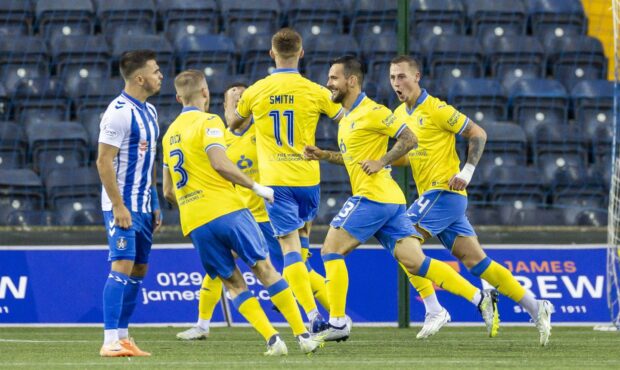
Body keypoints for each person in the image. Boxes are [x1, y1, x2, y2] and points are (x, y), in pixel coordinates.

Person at [304, 56, 499, 342]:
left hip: (374, 196)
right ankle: (477, 297)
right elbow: (352, 159)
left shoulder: (373, 111)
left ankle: (337, 322)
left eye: (333, 78)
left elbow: (409, 139)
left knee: (330, 249)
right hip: (390, 202)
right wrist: (324, 155)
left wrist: (382, 160)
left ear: (352, 80)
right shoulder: (347, 119)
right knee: (415, 261)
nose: (328, 83)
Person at [388, 55, 553, 346]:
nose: (397, 83)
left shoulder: (437, 109)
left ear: (417, 76)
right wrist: (386, 161)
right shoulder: (400, 115)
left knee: (401, 242)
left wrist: (466, 171)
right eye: (392, 78)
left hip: (445, 192)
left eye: (402, 76)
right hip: (437, 200)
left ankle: (436, 309)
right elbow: (410, 155)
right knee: (477, 262)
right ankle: (535, 306)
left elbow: (478, 133)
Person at [162, 70, 324, 355]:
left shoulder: (168, 135)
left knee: (233, 283)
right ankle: (303, 335)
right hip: (229, 209)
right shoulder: (209, 121)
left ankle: (272, 340)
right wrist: (257, 188)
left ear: (177, 97)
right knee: (266, 270)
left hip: (195, 221)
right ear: (206, 94)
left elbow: (167, 191)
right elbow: (220, 164)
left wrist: (193, 202)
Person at [226, 28, 343, 331]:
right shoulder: (315, 90)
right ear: (301, 53)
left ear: (271, 53)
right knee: (303, 249)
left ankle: (314, 316)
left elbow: (234, 123)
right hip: (308, 179)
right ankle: (338, 319)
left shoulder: (256, 90)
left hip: (276, 184)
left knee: (289, 251)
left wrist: (252, 111)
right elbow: (347, 120)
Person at [96, 49, 163, 357]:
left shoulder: (149, 112)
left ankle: (123, 337)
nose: (160, 75)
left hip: (143, 204)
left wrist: (153, 201)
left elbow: (147, 161)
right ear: (140, 78)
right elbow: (103, 162)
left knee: (138, 269)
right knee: (121, 266)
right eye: (156, 70)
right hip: (121, 206)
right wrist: (119, 206)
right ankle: (109, 340)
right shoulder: (118, 112)